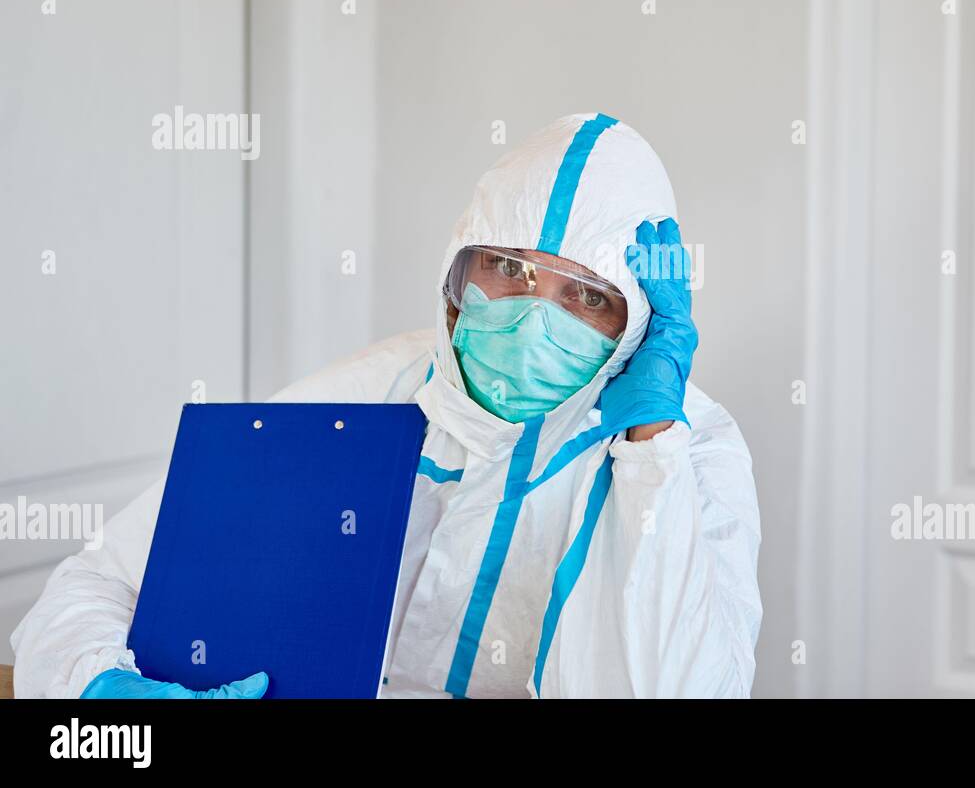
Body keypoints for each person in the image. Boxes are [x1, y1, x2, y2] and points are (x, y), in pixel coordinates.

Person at [11, 113, 762, 699]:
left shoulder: (689, 450)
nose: (537, 319)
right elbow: (97, 583)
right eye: (510, 268)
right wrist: (100, 687)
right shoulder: (364, 399)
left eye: (586, 296)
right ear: (460, 268)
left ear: (635, 323)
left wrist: (647, 453)